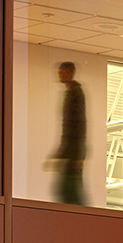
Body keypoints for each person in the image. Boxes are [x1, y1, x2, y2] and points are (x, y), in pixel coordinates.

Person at [49, 61, 88, 207]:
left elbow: (78, 124)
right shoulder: (71, 93)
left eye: (62, 72)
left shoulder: (75, 93)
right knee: (68, 189)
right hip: (71, 151)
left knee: (69, 190)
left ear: (70, 72)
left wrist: (77, 155)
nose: (60, 75)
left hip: (73, 151)